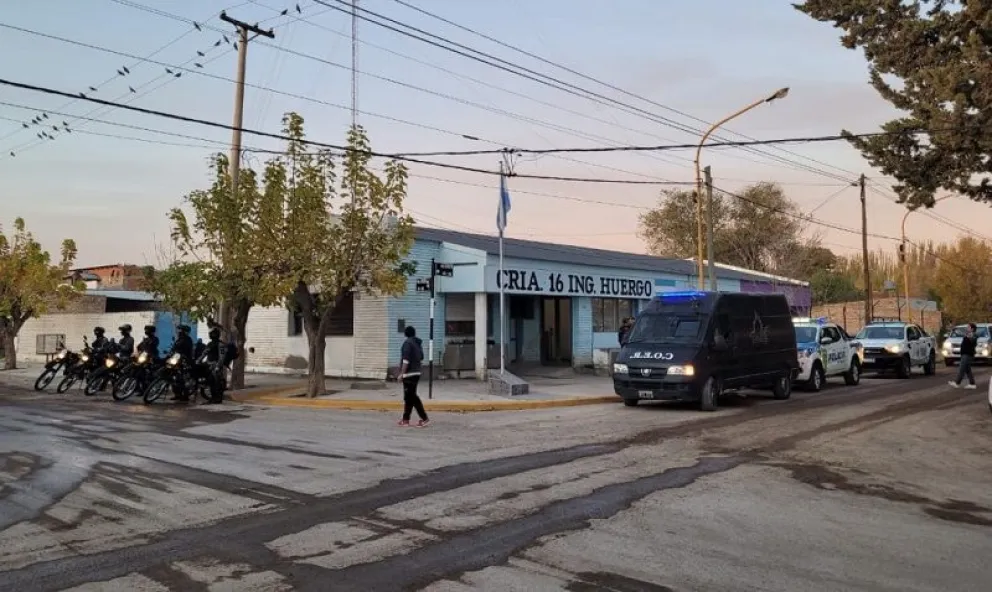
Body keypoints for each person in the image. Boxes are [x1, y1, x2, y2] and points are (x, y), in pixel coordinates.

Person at [397, 326, 429, 427]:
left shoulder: (407, 343)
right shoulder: (417, 343)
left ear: (406, 333)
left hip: (409, 374)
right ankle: (405, 419)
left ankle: (424, 418)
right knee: (409, 397)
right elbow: (421, 357)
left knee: (412, 397)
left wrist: (402, 374)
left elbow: (406, 360)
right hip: (417, 373)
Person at [950, 323, 978, 390]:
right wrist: (954, 329)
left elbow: (972, 340)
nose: (967, 328)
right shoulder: (968, 334)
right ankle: (972, 384)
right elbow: (960, 332)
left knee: (962, 369)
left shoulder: (974, 335)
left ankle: (957, 383)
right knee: (968, 370)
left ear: (972, 329)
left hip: (968, 355)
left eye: (968, 327)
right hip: (965, 354)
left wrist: (969, 336)